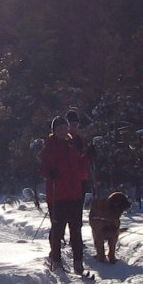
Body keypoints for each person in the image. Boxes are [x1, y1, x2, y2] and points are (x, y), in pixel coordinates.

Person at [39, 115, 90, 274]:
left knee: (76, 229)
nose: (62, 131)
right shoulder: (49, 146)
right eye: (59, 128)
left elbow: (80, 168)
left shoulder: (72, 145)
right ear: (54, 131)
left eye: (64, 128)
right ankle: (56, 259)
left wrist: (88, 157)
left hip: (74, 193)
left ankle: (78, 261)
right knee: (58, 228)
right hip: (57, 195)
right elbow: (43, 167)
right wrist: (50, 172)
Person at [87, 190, 131, 264]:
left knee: (112, 236)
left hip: (109, 222)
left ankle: (111, 256)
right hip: (99, 223)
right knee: (100, 237)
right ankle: (101, 256)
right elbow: (97, 235)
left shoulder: (115, 215)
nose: (121, 212)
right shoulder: (99, 210)